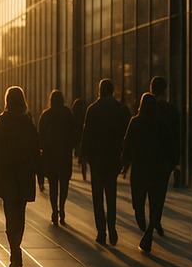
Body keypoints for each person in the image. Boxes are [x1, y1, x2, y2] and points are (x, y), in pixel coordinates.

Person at [0, 86, 41, 267]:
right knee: (21, 215)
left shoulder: (2, 121)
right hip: (24, 175)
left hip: (6, 175)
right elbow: (35, 149)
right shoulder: (28, 123)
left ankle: (14, 251)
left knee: (10, 216)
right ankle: (17, 249)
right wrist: (40, 173)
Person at [122, 93, 178, 252]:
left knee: (137, 201)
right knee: (156, 203)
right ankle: (150, 229)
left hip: (140, 169)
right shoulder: (161, 123)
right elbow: (170, 145)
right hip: (159, 171)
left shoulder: (136, 121)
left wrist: (124, 162)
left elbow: (128, 143)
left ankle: (144, 226)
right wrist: (172, 164)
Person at [80, 79, 131, 245]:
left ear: (100, 91)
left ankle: (101, 231)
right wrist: (126, 159)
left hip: (96, 159)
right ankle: (112, 228)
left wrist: (84, 156)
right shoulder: (122, 110)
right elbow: (128, 137)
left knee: (97, 196)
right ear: (113, 91)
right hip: (113, 159)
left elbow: (87, 134)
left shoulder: (93, 109)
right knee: (111, 195)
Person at [38, 89, 76, 226]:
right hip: (65, 154)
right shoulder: (68, 113)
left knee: (53, 184)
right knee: (64, 183)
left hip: (50, 154)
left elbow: (40, 135)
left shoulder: (46, 115)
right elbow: (74, 132)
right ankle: (62, 209)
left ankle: (54, 210)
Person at [148, 77, 182, 188]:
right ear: (165, 91)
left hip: (149, 156)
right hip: (165, 156)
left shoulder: (146, 109)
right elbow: (176, 134)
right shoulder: (171, 110)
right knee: (159, 189)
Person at [71, 97, 87, 180]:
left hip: (75, 138)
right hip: (82, 137)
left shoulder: (72, 116)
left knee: (76, 150)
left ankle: (79, 158)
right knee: (83, 154)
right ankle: (83, 168)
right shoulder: (84, 115)